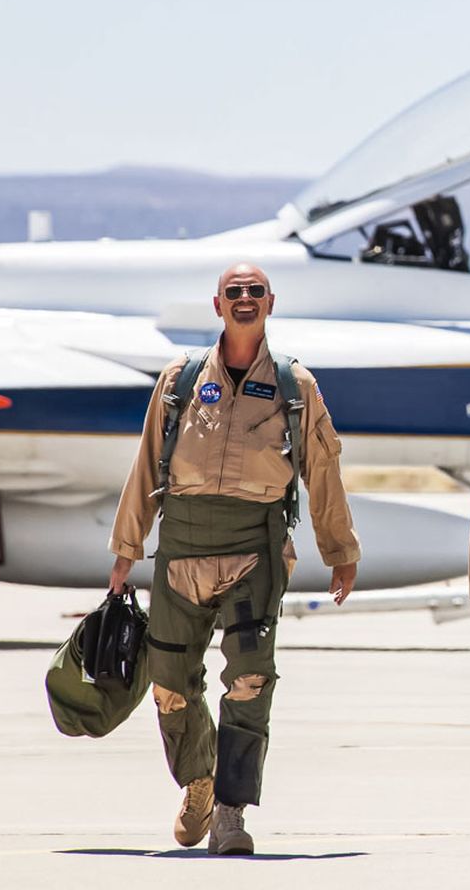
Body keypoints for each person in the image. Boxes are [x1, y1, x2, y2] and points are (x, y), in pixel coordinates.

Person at [106, 263, 360, 855]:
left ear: (271, 302)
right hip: (182, 549)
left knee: (249, 680)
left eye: (254, 292)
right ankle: (199, 778)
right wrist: (125, 550)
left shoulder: (298, 386)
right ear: (217, 304)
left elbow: (323, 470)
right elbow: (146, 464)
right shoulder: (180, 379)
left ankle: (230, 811)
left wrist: (339, 550)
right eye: (233, 292)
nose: (244, 300)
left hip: (255, 546)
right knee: (169, 684)